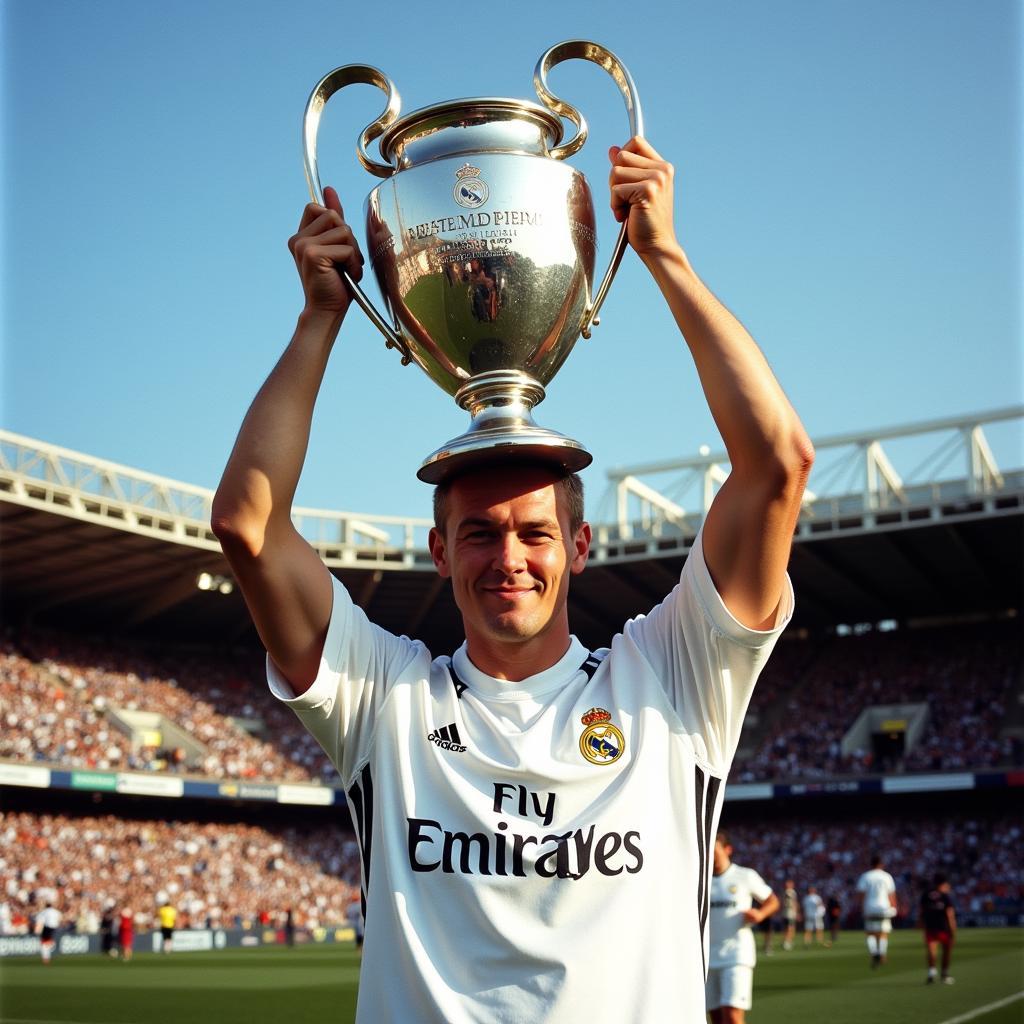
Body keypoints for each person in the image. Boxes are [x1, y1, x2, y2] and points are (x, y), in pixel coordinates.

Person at [212, 135, 813, 1023]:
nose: (509, 559)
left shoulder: (672, 678)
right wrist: (317, 323)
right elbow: (247, 525)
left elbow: (774, 465)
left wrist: (664, 258)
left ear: (579, 546)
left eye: (535, 532)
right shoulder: (387, 698)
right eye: (480, 534)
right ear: (439, 552)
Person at [706, 830, 780, 1024]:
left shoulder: (744, 876)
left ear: (727, 849)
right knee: (716, 1018)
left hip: (736, 955)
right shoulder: (699, 879)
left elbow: (772, 901)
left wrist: (760, 914)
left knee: (732, 1016)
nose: (710, 855)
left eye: (714, 850)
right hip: (705, 959)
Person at [857, 854, 897, 968]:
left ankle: (874, 952)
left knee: (870, 933)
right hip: (884, 907)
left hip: (869, 906)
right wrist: (894, 907)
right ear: (881, 864)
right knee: (883, 933)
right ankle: (882, 953)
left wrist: (861, 907)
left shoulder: (866, 876)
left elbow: (861, 894)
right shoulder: (887, 876)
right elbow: (892, 894)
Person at [920, 873, 956, 985]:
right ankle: (944, 974)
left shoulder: (926, 894)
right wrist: (953, 930)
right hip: (943, 928)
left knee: (931, 951)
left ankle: (931, 972)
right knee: (946, 951)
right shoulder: (945, 896)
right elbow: (950, 914)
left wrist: (920, 923)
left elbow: (921, 911)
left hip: (930, 927)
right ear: (944, 883)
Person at [781, 879, 799, 950]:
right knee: (789, 928)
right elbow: (793, 902)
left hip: (788, 912)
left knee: (789, 928)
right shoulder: (790, 892)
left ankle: (787, 941)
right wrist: (796, 912)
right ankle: (787, 942)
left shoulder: (787, 892)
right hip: (789, 913)